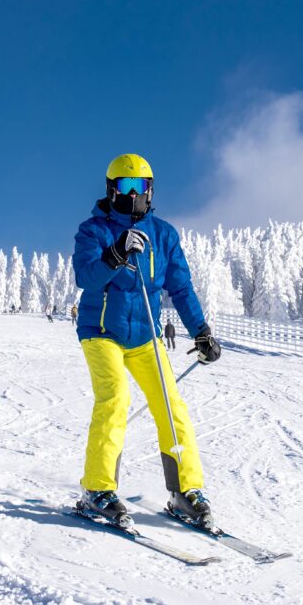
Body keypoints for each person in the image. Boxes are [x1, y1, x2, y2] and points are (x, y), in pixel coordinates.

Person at [72, 153, 222, 529]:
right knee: (116, 398)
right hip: (102, 333)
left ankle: (185, 491)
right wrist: (116, 253)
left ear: (151, 190)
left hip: (146, 338)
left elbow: (180, 287)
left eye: (141, 187)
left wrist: (200, 330)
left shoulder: (164, 235)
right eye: (126, 186)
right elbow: (86, 278)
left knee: (171, 406)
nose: (134, 194)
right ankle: (97, 490)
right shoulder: (94, 231)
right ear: (112, 189)